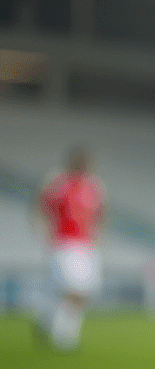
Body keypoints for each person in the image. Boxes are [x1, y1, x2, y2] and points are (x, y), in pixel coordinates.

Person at [37, 147, 105, 350]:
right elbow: (41, 207)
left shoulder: (94, 186)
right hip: (64, 243)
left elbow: (101, 213)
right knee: (72, 290)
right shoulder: (58, 183)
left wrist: (99, 235)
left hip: (86, 245)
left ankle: (47, 319)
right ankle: (64, 338)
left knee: (87, 292)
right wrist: (44, 232)